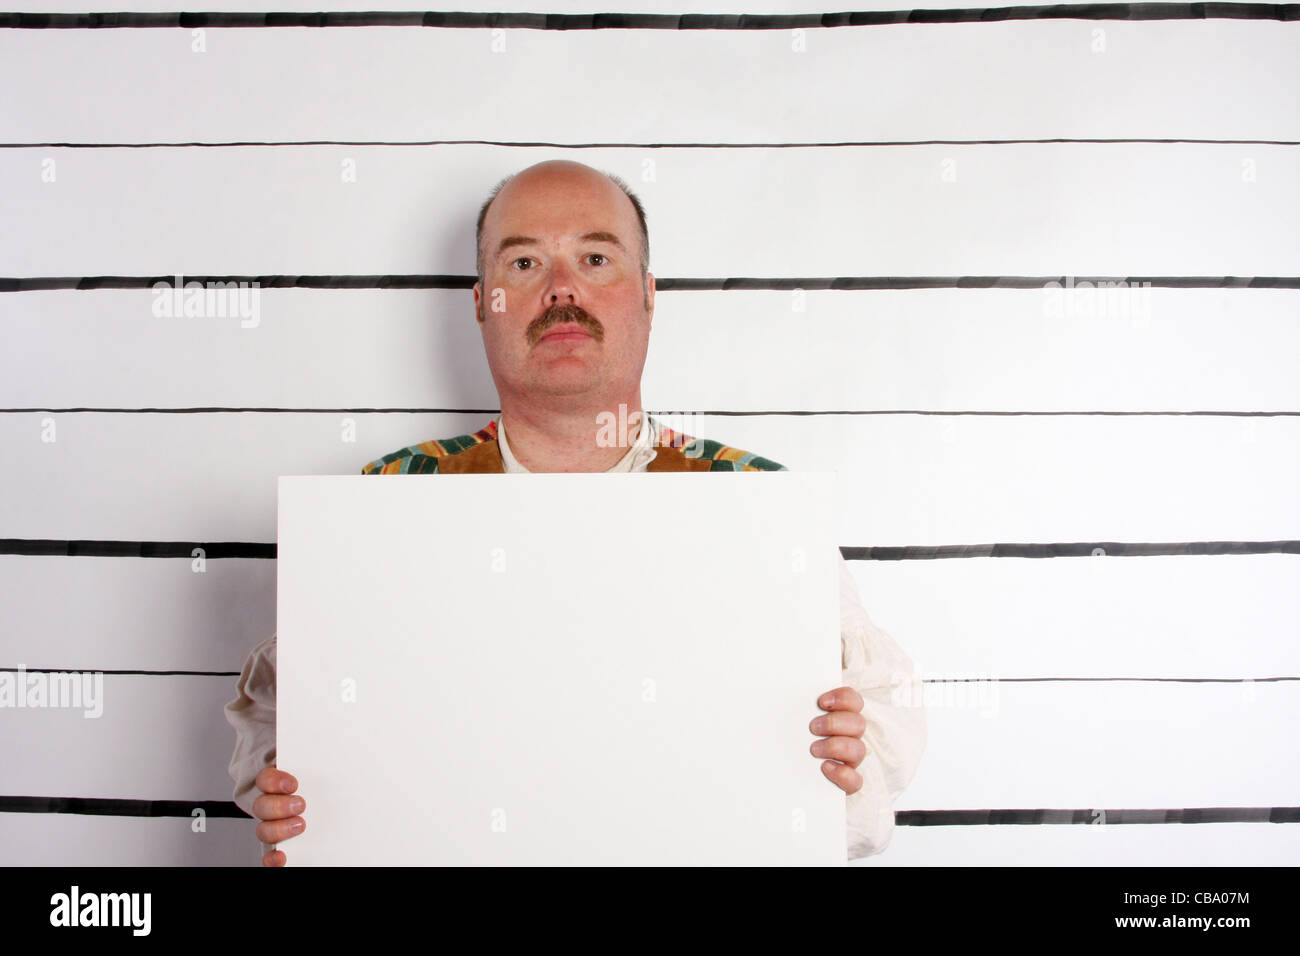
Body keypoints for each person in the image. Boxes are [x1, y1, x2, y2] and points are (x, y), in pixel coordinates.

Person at [225, 160, 926, 865]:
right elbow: (284, 737)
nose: (562, 288)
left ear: (649, 295)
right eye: (525, 262)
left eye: (595, 258)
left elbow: (868, 775)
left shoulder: (757, 506)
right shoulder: (385, 501)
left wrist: (841, 758)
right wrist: (294, 786)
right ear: (482, 302)